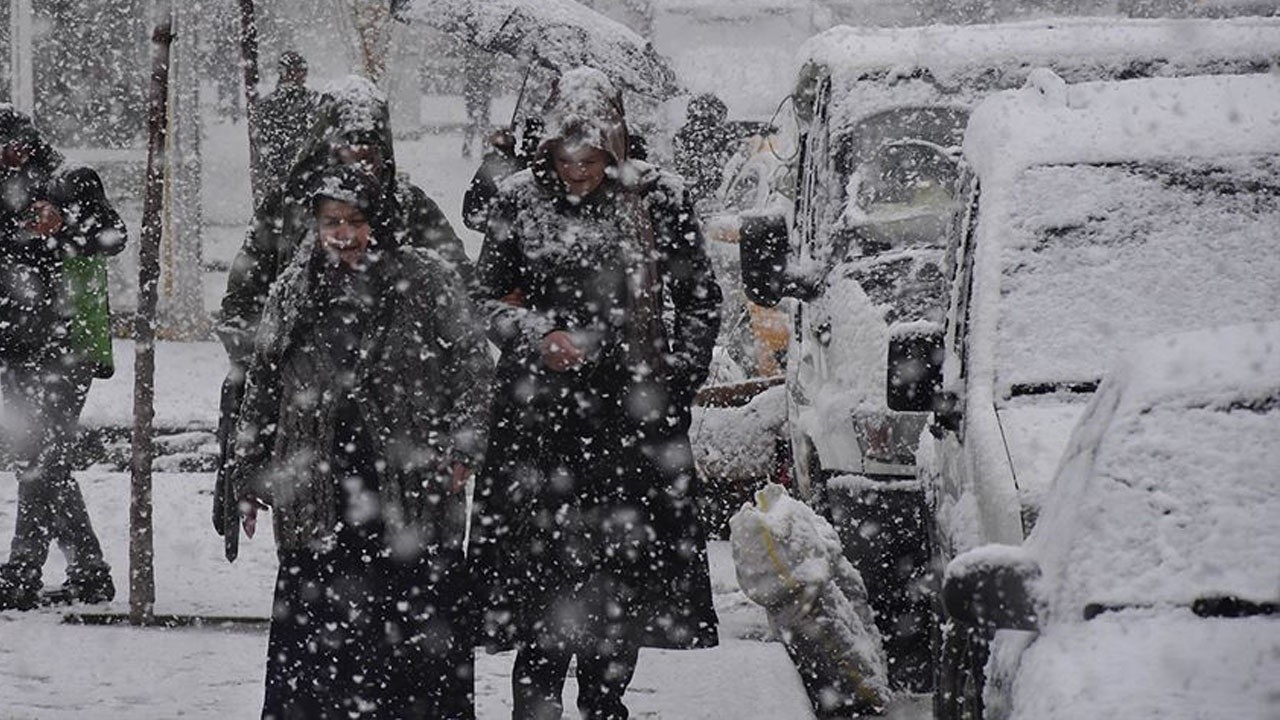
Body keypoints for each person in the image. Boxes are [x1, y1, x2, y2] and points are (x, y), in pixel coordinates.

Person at [471, 66, 722, 720]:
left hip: (630, 423)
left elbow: (700, 300)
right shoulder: (518, 200)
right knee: (540, 585)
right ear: (548, 147)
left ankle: (604, 704)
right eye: (565, 156)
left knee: (620, 588)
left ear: (614, 144)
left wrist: (673, 382)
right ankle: (538, 704)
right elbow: (483, 299)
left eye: (590, 157)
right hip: (537, 420)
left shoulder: (659, 197)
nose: (577, 171)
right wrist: (537, 331)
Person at [226, 165, 492, 718]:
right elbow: (264, 380)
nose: (343, 234)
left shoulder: (426, 279)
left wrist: (464, 448)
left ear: (382, 222)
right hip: (318, 486)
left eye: (355, 220)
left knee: (413, 636)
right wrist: (248, 472)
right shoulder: (295, 287)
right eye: (331, 221)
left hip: (410, 485)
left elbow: (472, 366)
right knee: (319, 647)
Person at [214, 76, 472, 551]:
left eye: (370, 154)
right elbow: (241, 305)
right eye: (347, 151)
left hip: (400, 429)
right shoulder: (288, 209)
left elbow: (462, 304)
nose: (360, 165)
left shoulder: (412, 209)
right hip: (311, 429)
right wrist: (285, 357)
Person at [0, 105, 126, 610]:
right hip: (11, 343)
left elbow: (113, 236)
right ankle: (90, 572)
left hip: (67, 343)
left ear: (25, 142)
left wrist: (65, 224)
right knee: (37, 457)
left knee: (42, 457)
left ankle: (22, 572)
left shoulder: (70, 178)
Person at [253, 50, 318, 207]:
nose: (300, 76)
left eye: (302, 71)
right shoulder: (314, 102)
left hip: (296, 178)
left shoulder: (314, 102)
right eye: (296, 71)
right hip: (292, 178)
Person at [672, 92, 739, 207]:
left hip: (691, 191)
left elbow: (681, 165)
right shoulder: (715, 134)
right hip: (702, 191)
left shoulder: (682, 134)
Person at [461, 48, 496, 159]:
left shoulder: (473, 57)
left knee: (476, 121)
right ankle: (479, 147)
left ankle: (471, 146)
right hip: (479, 93)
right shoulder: (486, 59)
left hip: (477, 94)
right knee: (480, 121)